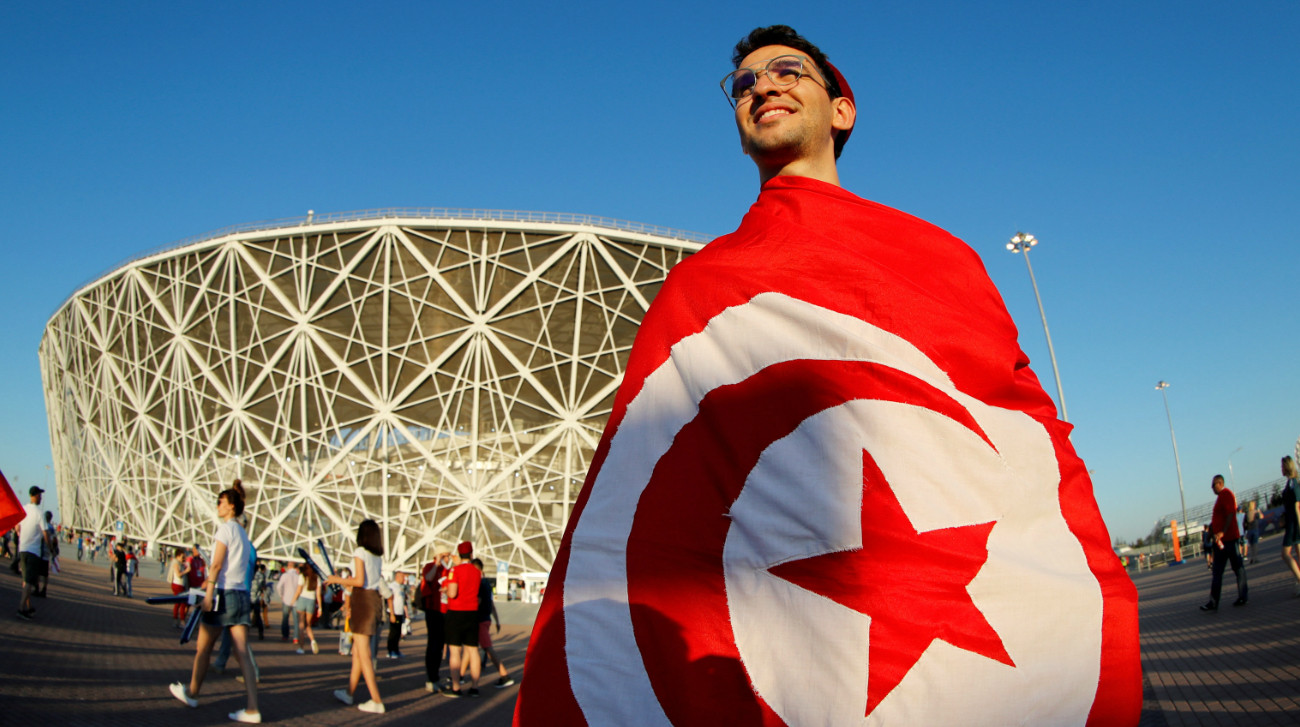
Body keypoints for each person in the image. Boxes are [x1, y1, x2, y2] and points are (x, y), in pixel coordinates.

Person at [513, 25, 1140, 724]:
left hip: (947, 604)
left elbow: (1019, 430)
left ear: (842, 109)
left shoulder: (941, 258)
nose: (764, 87)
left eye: (786, 70)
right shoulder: (700, 292)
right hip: (803, 644)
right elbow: (647, 499)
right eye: (744, 84)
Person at [166, 480, 261, 723]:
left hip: (223, 595)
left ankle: (193, 693)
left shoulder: (225, 529)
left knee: (203, 648)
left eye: (220, 502)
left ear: (230, 506)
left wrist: (208, 593)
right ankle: (253, 708)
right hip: (240, 595)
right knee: (242, 654)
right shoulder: (242, 532)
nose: (217, 505)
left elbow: (217, 564)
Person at [324, 519, 385, 714]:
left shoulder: (360, 552)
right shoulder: (377, 556)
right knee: (359, 652)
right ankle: (349, 692)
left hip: (363, 601)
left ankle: (376, 700)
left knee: (364, 654)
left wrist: (337, 579)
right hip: (374, 600)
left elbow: (358, 580)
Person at [1200, 475, 1248, 611]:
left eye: (1213, 485)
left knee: (1238, 568)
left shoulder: (1226, 494)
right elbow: (1217, 520)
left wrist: (1223, 531)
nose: (1212, 488)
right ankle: (1213, 602)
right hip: (1220, 542)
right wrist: (1210, 534)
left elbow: (1230, 514)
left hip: (1230, 540)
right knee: (1217, 572)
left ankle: (1243, 595)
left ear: (1220, 483)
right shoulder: (1219, 499)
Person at [441, 541, 481, 698]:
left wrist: (445, 588)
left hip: (456, 612)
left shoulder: (454, 570)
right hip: (472, 612)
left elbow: (452, 593)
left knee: (455, 650)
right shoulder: (477, 572)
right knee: (473, 650)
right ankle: (475, 687)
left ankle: (456, 687)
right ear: (471, 554)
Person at [470, 557, 513, 688]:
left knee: (487, 648)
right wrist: (497, 621)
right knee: (470, 648)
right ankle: (459, 676)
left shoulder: (480, 584)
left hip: (480, 620)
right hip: (486, 619)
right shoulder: (487, 584)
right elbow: (491, 604)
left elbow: (478, 602)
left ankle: (504, 675)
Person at [15, 487, 51, 620]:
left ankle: (28, 607)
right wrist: (50, 548)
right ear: (35, 496)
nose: (41, 498)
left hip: (22, 549)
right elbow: (46, 533)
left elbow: (17, 526)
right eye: (40, 495)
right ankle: (20, 609)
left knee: (26, 581)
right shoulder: (39, 513)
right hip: (33, 551)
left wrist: (21, 537)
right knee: (30, 581)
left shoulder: (23, 509)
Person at [420, 551, 450, 692]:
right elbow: (428, 579)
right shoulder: (430, 566)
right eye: (445, 556)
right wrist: (436, 563)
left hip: (444, 611)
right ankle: (430, 678)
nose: (447, 558)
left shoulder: (447, 570)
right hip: (433, 609)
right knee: (433, 644)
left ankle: (435, 677)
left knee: (439, 645)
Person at [1280, 456, 1300, 595]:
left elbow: (1297, 506)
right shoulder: (1291, 483)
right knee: (1298, 552)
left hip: (1294, 524)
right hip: (1292, 522)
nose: (1280, 469)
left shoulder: (1293, 483)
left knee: (1285, 554)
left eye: (1282, 466)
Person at [292, 562, 321, 654]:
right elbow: (318, 594)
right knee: (308, 625)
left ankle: (301, 647)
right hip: (311, 601)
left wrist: (293, 601)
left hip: (302, 599)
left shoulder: (302, 576)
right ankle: (312, 640)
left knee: (301, 625)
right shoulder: (317, 578)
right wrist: (320, 607)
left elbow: (298, 590)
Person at [276, 561, 301, 643]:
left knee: (285, 618)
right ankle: (296, 637)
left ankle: (285, 635)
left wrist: (281, 595)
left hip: (286, 599)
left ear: (288, 566)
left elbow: (279, 586)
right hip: (296, 600)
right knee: (296, 620)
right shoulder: (298, 576)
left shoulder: (285, 575)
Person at [385, 571, 407, 659]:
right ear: (397, 577)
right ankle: (390, 651)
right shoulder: (392, 586)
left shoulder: (400, 587)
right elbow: (389, 600)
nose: (404, 579)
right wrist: (392, 613)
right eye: (402, 577)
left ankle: (396, 650)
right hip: (394, 612)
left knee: (398, 633)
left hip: (400, 612)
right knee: (393, 632)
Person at [168, 550, 191, 627]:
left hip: (180, 585)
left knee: (178, 603)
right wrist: (186, 571)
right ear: (178, 556)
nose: (184, 558)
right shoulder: (176, 564)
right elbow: (178, 574)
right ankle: (181, 621)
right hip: (178, 585)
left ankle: (176, 620)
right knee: (182, 603)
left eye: (184, 557)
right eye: (182, 557)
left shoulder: (180, 563)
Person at [1240, 499, 1261, 564]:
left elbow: (1244, 524)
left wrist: (1245, 531)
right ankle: (1255, 558)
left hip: (1249, 531)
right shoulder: (1255, 512)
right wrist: (1259, 511)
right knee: (1255, 545)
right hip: (1255, 529)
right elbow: (1261, 517)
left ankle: (1252, 558)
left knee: (1251, 546)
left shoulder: (1247, 514)